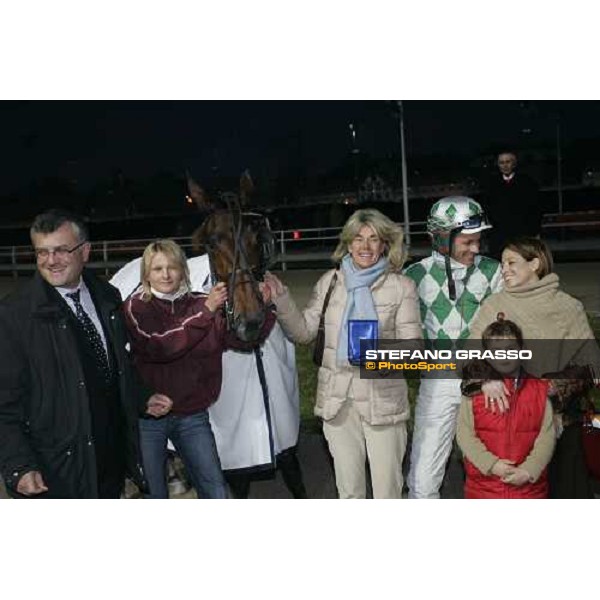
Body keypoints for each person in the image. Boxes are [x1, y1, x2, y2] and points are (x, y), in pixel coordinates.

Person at [0, 209, 173, 499]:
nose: (50, 261)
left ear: (86, 251)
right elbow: (4, 402)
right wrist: (18, 465)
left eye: (61, 250)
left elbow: (117, 365)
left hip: (110, 458)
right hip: (55, 467)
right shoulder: (14, 315)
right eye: (42, 252)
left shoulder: (108, 296)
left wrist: (142, 396)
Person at [264, 208, 422, 499]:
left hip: (383, 402)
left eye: (373, 239)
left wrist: (375, 355)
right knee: (349, 493)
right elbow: (304, 333)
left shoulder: (401, 287)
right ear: (348, 243)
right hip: (338, 402)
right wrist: (281, 299)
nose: (365, 246)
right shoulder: (330, 282)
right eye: (358, 239)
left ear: (385, 245)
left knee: (388, 493)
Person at [122, 240, 276, 499]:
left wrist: (264, 307)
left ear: (183, 270)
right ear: (146, 274)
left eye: (172, 267)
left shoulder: (201, 303)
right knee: (155, 494)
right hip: (149, 420)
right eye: (158, 268)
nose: (166, 274)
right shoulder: (136, 306)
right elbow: (161, 346)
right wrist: (206, 311)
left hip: (192, 416)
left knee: (216, 490)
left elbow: (243, 340)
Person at [466, 237, 600, 498]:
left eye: (512, 262)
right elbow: (467, 355)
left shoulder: (568, 307)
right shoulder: (494, 306)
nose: (504, 269)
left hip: (561, 422)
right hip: (507, 424)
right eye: (503, 263)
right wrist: (486, 378)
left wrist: (553, 388)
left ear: (535, 264)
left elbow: (592, 366)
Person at [404, 197, 503, 499]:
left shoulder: (494, 271)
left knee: (496, 469)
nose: (476, 249)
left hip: (487, 381)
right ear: (442, 238)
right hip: (437, 382)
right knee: (423, 478)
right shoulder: (414, 276)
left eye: (478, 241)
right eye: (468, 242)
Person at [457, 316, 555, 498]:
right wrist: (492, 465)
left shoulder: (540, 391)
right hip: (483, 490)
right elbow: (464, 435)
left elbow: (546, 437)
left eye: (510, 349)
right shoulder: (474, 392)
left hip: (529, 492)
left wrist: (528, 471)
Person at [482, 150, 542, 258]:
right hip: (499, 235)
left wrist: (534, 230)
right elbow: (487, 208)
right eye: (502, 162)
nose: (505, 165)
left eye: (508, 162)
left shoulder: (527, 182)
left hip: (523, 233)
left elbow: (536, 208)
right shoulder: (491, 184)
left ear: (514, 163)